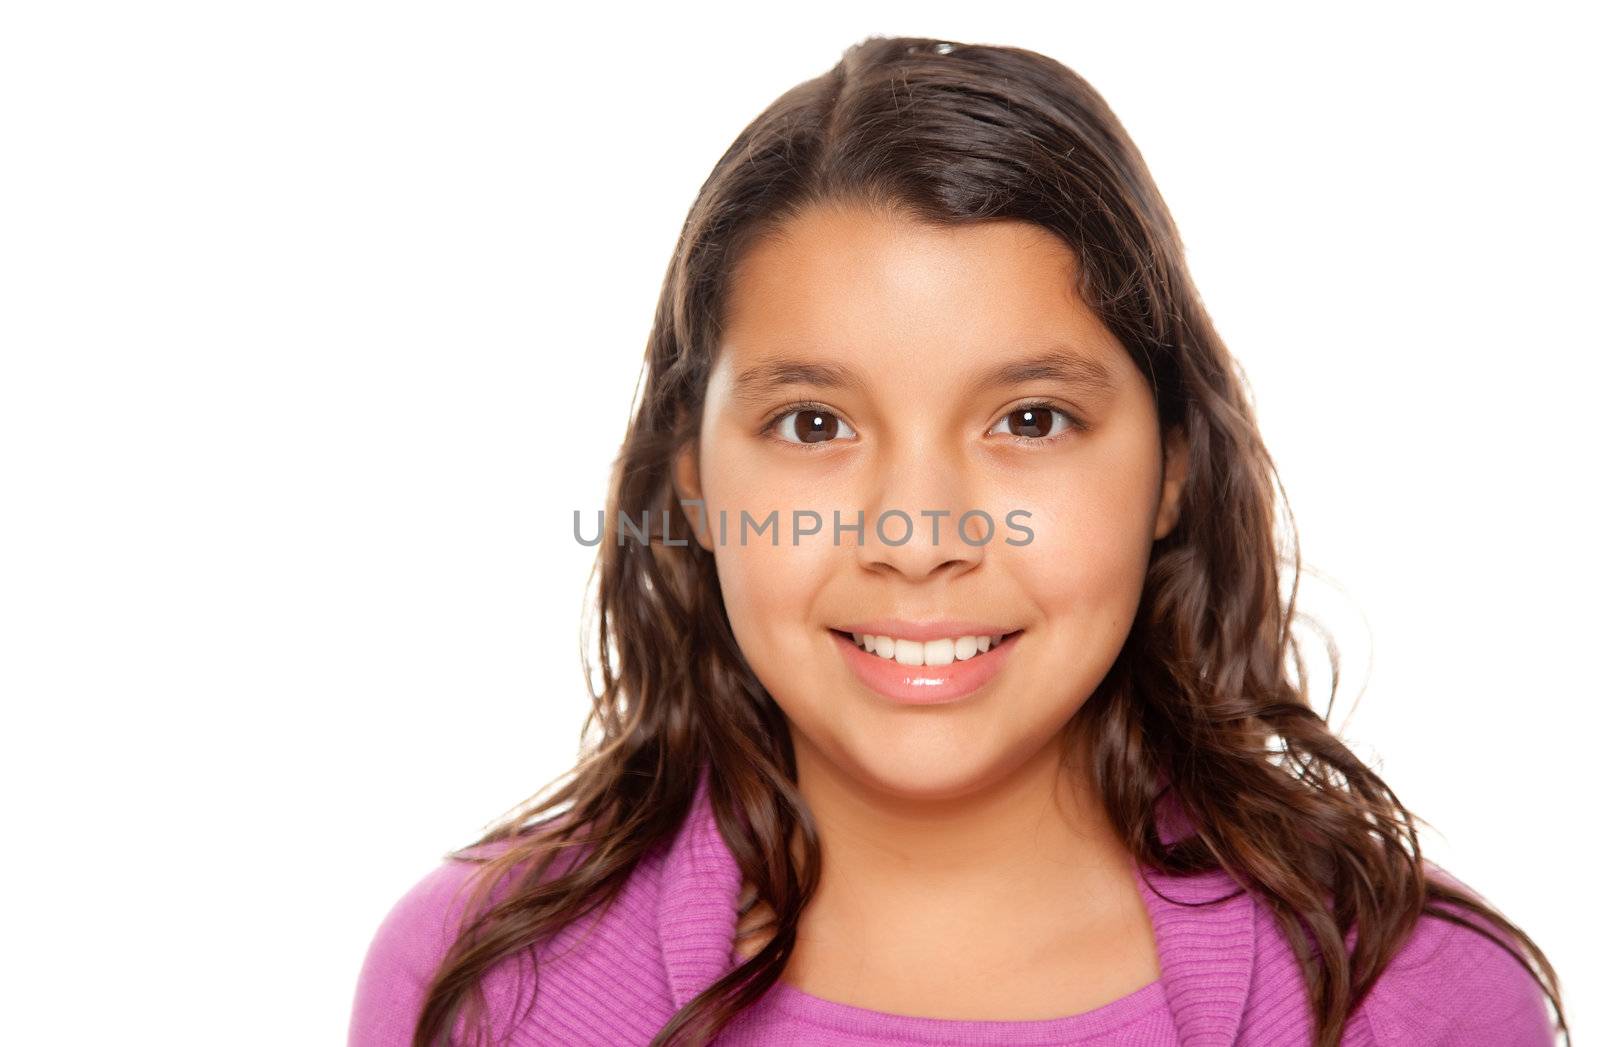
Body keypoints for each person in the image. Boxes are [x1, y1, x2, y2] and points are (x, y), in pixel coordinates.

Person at [347, 35, 1566, 1047]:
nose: (916, 537)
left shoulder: (1409, 997)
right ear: (694, 480)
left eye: (1030, 420)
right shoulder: (485, 982)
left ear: (1170, 471)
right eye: (813, 422)